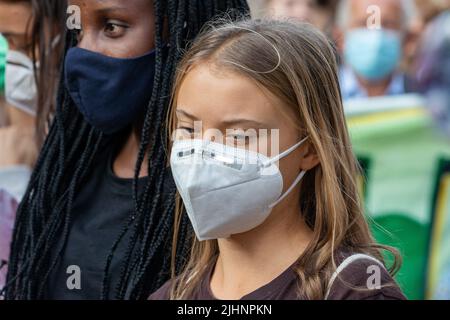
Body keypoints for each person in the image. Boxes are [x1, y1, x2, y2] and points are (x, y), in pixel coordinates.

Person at [3, 0, 249, 300]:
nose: (83, 52)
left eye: (112, 27)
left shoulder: (226, 182)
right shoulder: (72, 160)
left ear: (176, 30)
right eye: (77, 30)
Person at [150, 19, 405, 300]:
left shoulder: (355, 290)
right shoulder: (172, 296)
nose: (203, 153)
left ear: (309, 149)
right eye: (188, 129)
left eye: (240, 135)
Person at [337, 0, 417, 99]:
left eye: (387, 24)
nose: (375, 37)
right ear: (340, 37)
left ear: (407, 38)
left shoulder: (425, 96)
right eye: (364, 24)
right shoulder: (320, 94)